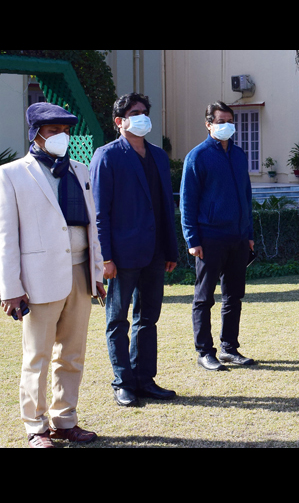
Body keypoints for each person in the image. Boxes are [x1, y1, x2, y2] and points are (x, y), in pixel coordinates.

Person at [1, 103, 105, 447]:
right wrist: (10, 288)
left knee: (72, 354)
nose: (62, 136)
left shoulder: (79, 169)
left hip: (79, 272)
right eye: (53, 130)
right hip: (37, 278)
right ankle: (35, 426)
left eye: (65, 130)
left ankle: (65, 420)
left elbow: (92, 225)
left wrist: (97, 271)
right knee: (37, 356)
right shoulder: (12, 174)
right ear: (36, 134)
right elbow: (6, 236)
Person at [91, 92, 180, 406]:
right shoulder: (107, 156)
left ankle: (145, 379)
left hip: (155, 253)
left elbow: (165, 206)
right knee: (117, 320)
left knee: (148, 318)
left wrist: (171, 250)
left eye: (145, 111)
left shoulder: (158, 156)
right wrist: (105, 258)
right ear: (120, 121)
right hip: (121, 255)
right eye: (135, 113)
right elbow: (100, 212)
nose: (142, 117)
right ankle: (123, 382)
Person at [180, 101, 256, 371]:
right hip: (209, 237)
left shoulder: (238, 154)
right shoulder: (197, 157)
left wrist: (248, 233)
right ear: (208, 124)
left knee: (234, 296)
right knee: (204, 298)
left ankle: (229, 348)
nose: (226, 126)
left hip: (238, 237)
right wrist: (192, 240)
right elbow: (187, 201)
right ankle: (204, 351)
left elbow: (246, 196)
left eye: (230, 121)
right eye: (220, 121)